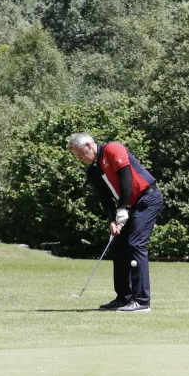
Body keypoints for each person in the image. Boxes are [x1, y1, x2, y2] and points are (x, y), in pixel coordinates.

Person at [68, 133, 164, 312]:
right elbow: (105, 199)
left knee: (136, 244)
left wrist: (122, 210)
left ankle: (142, 301)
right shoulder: (93, 172)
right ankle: (124, 298)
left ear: (89, 145)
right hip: (129, 206)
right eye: (77, 157)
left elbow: (126, 181)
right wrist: (112, 219)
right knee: (118, 246)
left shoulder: (113, 148)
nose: (81, 159)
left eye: (81, 155)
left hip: (148, 199)